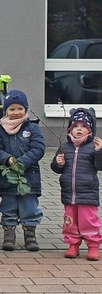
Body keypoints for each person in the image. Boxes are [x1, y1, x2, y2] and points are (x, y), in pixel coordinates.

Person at [0, 90, 45, 252]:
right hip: (8, 177)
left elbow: (39, 148)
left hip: (29, 177)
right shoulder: (0, 130)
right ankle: (9, 234)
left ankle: (30, 235)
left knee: (29, 207)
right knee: (8, 206)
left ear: (26, 109)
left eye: (19, 108)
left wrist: (21, 162)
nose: (16, 112)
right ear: (6, 111)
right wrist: (7, 159)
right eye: (12, 109)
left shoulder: (33, 127)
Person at [50, 108, 102, 261]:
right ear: (70, 129)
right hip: (69, 193)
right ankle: (73, 244)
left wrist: (100, 152)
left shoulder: (93, 147)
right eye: (76, 126)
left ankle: (93, 246)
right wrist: (58, 163)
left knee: (89, 221)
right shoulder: (65, 147)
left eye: (84, 126)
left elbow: (100, 166)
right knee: (70, 222)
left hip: (87, 193)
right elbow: (56, 168)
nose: (79, 129)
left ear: (90, 129)